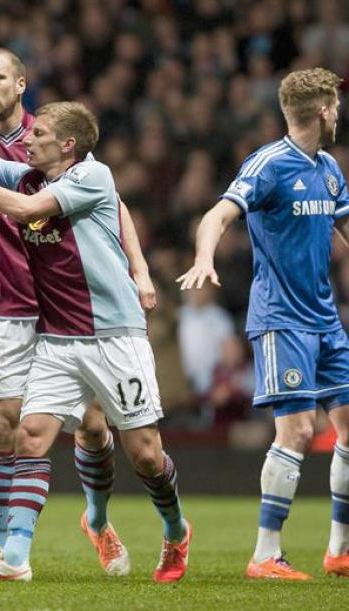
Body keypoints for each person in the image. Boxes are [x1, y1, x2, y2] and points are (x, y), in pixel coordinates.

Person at [0, 101, 190, 582]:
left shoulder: (92, 176)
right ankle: (16, 560)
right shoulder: (30, 174)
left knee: (146, 454)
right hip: (58, 339)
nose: (28, 138)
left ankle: (175, 529)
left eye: (39, 133)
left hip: (114, 336)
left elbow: (22, 209)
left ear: (67, 145)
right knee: (31, 436)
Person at [178, 67, 349, 580]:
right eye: (335, 105)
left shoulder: (330, 169)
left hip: (325, 320)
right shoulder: (270, 164)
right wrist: (205, 256)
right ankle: (265, 555)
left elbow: (343, 226)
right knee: (296, 430)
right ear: (322, 111)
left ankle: (340, 548)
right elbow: (217, 214)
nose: (338, 112)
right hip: (282, 320)